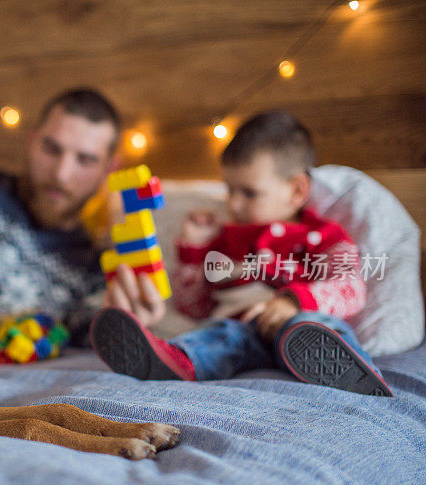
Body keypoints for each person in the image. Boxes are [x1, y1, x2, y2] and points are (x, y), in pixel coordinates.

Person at [90, 110, 393, 396]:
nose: (233, 205)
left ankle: (350, 370)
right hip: (239, 329)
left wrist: (294, 301)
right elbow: (193, 308)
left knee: (322, 329)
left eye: (249, 193)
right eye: (229, 190)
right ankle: (173, 363)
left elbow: (350, 288)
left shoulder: (321, 236)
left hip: (298, 322)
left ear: (297, 191)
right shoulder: (225, 240)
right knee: (214, 337)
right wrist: (193, 251)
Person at [0, 88, 165, 345]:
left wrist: (133, 330)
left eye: (85, 160)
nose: (61, 174)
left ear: (108, 169)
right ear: (32, 140)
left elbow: (100, 347)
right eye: (51, 149)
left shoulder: (90, 274)